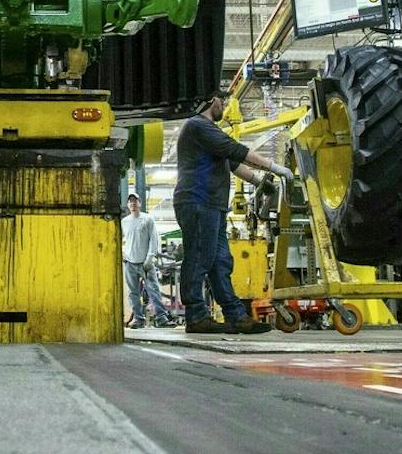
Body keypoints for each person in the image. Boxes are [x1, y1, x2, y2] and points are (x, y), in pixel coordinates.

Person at [174, 91, 289, 335]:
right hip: (198, 201)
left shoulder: (208, 132)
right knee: (199, 258)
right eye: (222, 100)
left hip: (212, 205)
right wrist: (274, 167)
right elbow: (235, 150)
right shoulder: (198, 125)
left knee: (220, 261)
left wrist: (260, 182)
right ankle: (196, 317)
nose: (224, 105)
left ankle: (236, 316)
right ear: (210, 100)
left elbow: (233, 164)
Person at [122, 193, 166, 327]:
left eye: (135, 201)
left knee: (153, 290)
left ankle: (161, 318)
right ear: (128, 205)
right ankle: (138, 319)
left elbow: (154, 239)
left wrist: (150, 258)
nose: (133, 203)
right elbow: (122, 239)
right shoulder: (124, 222)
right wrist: (124, 255)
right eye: (130, 201)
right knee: (133, 293)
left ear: (140, 203)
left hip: (145, 263)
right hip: (130, 262)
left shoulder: (148, 219)